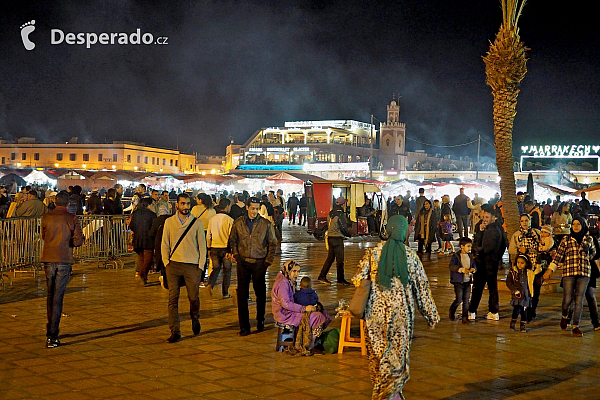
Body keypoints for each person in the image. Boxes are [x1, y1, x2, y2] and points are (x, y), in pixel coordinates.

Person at [353, 215, 439, 399]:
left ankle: (381, 393)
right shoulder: (410, 256)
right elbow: (421, 288)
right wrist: (431, 315)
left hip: (374, 316)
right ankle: (392, 395)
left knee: (377, 356)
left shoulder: (372, 254)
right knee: (398, 357)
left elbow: (357, 279)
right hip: (401, 316)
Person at [161, 193, 207, 343]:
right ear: (177, 205)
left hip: (192, 266)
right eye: (183, 204)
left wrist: (200, 267)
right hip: (173, 265)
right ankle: (175, 330)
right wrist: (166, 262)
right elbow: (165, 244)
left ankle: (195, 316)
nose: (185, 207)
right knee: (172, 299)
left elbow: (202, 246)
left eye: (187, 204)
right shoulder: (169, 222)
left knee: (193, 297)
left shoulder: (197, 223)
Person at [228, 196, 277, 336]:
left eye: (257, 209)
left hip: (259, 263)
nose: (254, 211)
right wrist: (236, 255)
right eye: (252, 208)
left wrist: (267, 261)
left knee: (260, 294)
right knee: (242, 294)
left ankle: (260, 320)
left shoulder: (265, 224)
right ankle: (244, 326)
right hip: (243, 262)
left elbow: (272, 243)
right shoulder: (238, 223)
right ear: (247, 208)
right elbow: (233, 240)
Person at [40, 191, 84, 348]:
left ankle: (49, 330)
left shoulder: (46, 217)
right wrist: (72, 241)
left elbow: (44, 236)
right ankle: (53, 335)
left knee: (50, 295)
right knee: (58, 297)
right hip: (64, 259)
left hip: (48, 258)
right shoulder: (72, 218)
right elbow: (78, 241)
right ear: (68, 204)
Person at [543, 217, 597, 337]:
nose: (576, 226)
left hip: (584, 272)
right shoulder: (566, 239)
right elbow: (558, 257)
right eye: (574, 224)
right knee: (567, 299)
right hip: (569, 272)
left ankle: (575, 326)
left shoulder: (589, 239)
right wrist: (550, 271)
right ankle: (564, 316)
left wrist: (587, 254)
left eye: (578, 224)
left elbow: (594, 253)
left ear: (583, 225)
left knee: (579, 300)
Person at [272, 260, 331, 353]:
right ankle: (309, 344)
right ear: (288, 271)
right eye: (294, 271)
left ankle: (313, 340)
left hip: (291, 311)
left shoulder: (288, 281)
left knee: (325, 314)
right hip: (285, 314)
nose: (297, 274)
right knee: (318, 317)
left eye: (298, 271)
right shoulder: (283, 284)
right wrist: (304, 309)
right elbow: (285, 304)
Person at [468, 206, 506, 321]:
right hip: (491, 262)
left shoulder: (492, 230)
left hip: (485, 262)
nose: (484, 219)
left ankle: (473, 310)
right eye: (483, 216)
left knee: (479, 287)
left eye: (487, 217)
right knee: (491, 287)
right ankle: (493, 311)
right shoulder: (495, 228)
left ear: (493, 217)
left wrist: (477, 249)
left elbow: (484, 247)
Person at [317, 197, 352, 285]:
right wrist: (348, 234)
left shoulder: (331, 213)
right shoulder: (340, 214)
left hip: (330, 238)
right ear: (342, 204)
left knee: (330, 259)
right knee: (340, 260)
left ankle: (322, 276)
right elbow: (343, 227)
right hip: (337, 238)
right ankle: (340, 279)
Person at [206, 199, 234, 299]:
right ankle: (225, 293)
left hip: (214, 247)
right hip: (225, 249)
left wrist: (209, 247)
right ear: (226, 206)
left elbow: (208, 235)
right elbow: (232, 237)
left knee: (216, 268)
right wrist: (230, 251)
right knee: (227, 271)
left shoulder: (212, 219)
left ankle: (210, 285)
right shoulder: (230, 220)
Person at [129, 197, 157, 285]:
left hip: (138, 238)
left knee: (141, 258)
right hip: (148, 239)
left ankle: (143, 275)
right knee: (148, 259)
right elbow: (154, 227)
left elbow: (132, 226)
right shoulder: (152, 214)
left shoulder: (136, 213)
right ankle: (143, 274)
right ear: (149, 204)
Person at [449, 237, 476, 323]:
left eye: (470, 246)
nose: (470, 248)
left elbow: (474, 266)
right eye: (468, 246)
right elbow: (451, 266)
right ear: (462, 246)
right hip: (458, 282)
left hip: (467, 281)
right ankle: (452, 310)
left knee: (466, 299)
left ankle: (465, 317)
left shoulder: (470, 256)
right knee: (459, 299)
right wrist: (461, 269)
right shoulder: (456, 256)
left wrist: (473, 269)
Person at [506, 254, 534, 332]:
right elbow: (508, 282)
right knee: (517, 309)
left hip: (526, 295)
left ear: (526, 263)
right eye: (518, 262)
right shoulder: (513, 272)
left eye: (522, 263)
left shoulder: (528, 273)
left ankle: (523, 325)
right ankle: (513, 322)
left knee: (524, 311)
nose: (520, 265)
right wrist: (514, 290)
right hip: (517, 295)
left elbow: (534, 276)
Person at [149, 204, 171, 290]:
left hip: (159, 242)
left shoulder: (156, 220)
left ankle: (163, 275)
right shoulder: (171, 219)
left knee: (161, 258)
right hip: (169, 241)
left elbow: (151, 233)